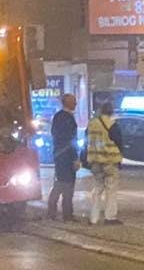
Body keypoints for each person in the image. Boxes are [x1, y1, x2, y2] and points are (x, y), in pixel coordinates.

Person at [84, 99, 123, 225]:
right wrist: (120, 158)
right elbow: (119, 143)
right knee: (111, 190)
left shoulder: (91, 124)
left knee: (97, 189)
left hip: (95, 161)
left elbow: (86, 141)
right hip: (110, 161)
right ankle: (110, 217)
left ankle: (93, 218)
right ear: (111, 112)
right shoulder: (112, 125)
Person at [46, 93, 79, 222]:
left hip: (59, 155)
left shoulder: (58, 117)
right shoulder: (67, 118)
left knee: (61, 183)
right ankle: (67, 214)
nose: (76, 103)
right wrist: (75, 157)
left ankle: (53, 212)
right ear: (67, 103)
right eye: (73, 101)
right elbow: (70, 140)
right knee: (67, 185)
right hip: (66, 156)